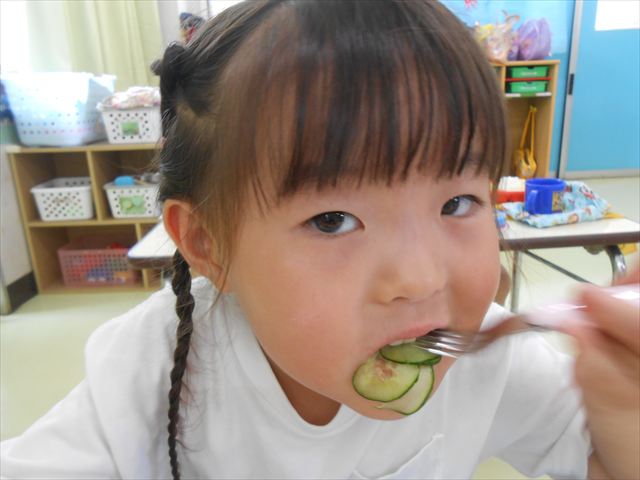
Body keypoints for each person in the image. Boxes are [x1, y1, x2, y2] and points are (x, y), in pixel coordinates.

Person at [2, 1, 638, 479]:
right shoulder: (152, 365)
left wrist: (623, 416)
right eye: (333, 220)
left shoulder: (489, 357)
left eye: (456, 203)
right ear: (208, 244)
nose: (420, 278)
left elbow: (600, 461)